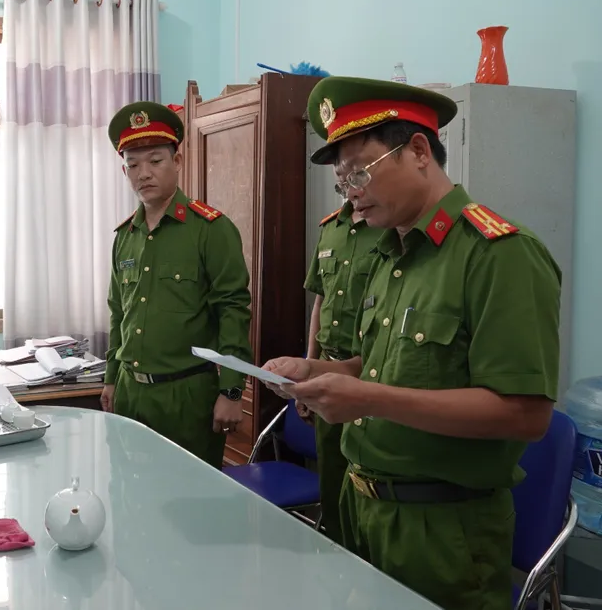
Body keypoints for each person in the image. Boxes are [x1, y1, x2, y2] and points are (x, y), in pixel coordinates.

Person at [263, 76, 560, 610]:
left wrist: (369, 399)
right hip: (363, 510)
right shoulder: (388, 255)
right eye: (342, 180)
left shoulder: (498, 255)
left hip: (442, 532)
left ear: (419, 151)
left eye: (360, 171)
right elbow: (385, 368)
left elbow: (524, 414)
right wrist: (324, 373)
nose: (351, 189)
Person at [101, 101, 253, 467]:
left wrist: (232, 390)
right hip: (130, 390)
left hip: (186, 395)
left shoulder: (211, 230)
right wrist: (110, 380)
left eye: (155, 161)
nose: (144, 174)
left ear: (178, 162)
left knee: (189, 507)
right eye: (133, 165)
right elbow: (118, 313)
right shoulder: (126, 236)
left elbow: (233, 312)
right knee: (128, 496)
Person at [304, 196, 384, 540]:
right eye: (343, 175)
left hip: (372, 376)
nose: (349, 183)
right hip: (329, 371)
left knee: (367, 498)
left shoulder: (387, 227)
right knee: (332, 487)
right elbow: (319, 304)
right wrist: (310, 366)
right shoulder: (330, 229)